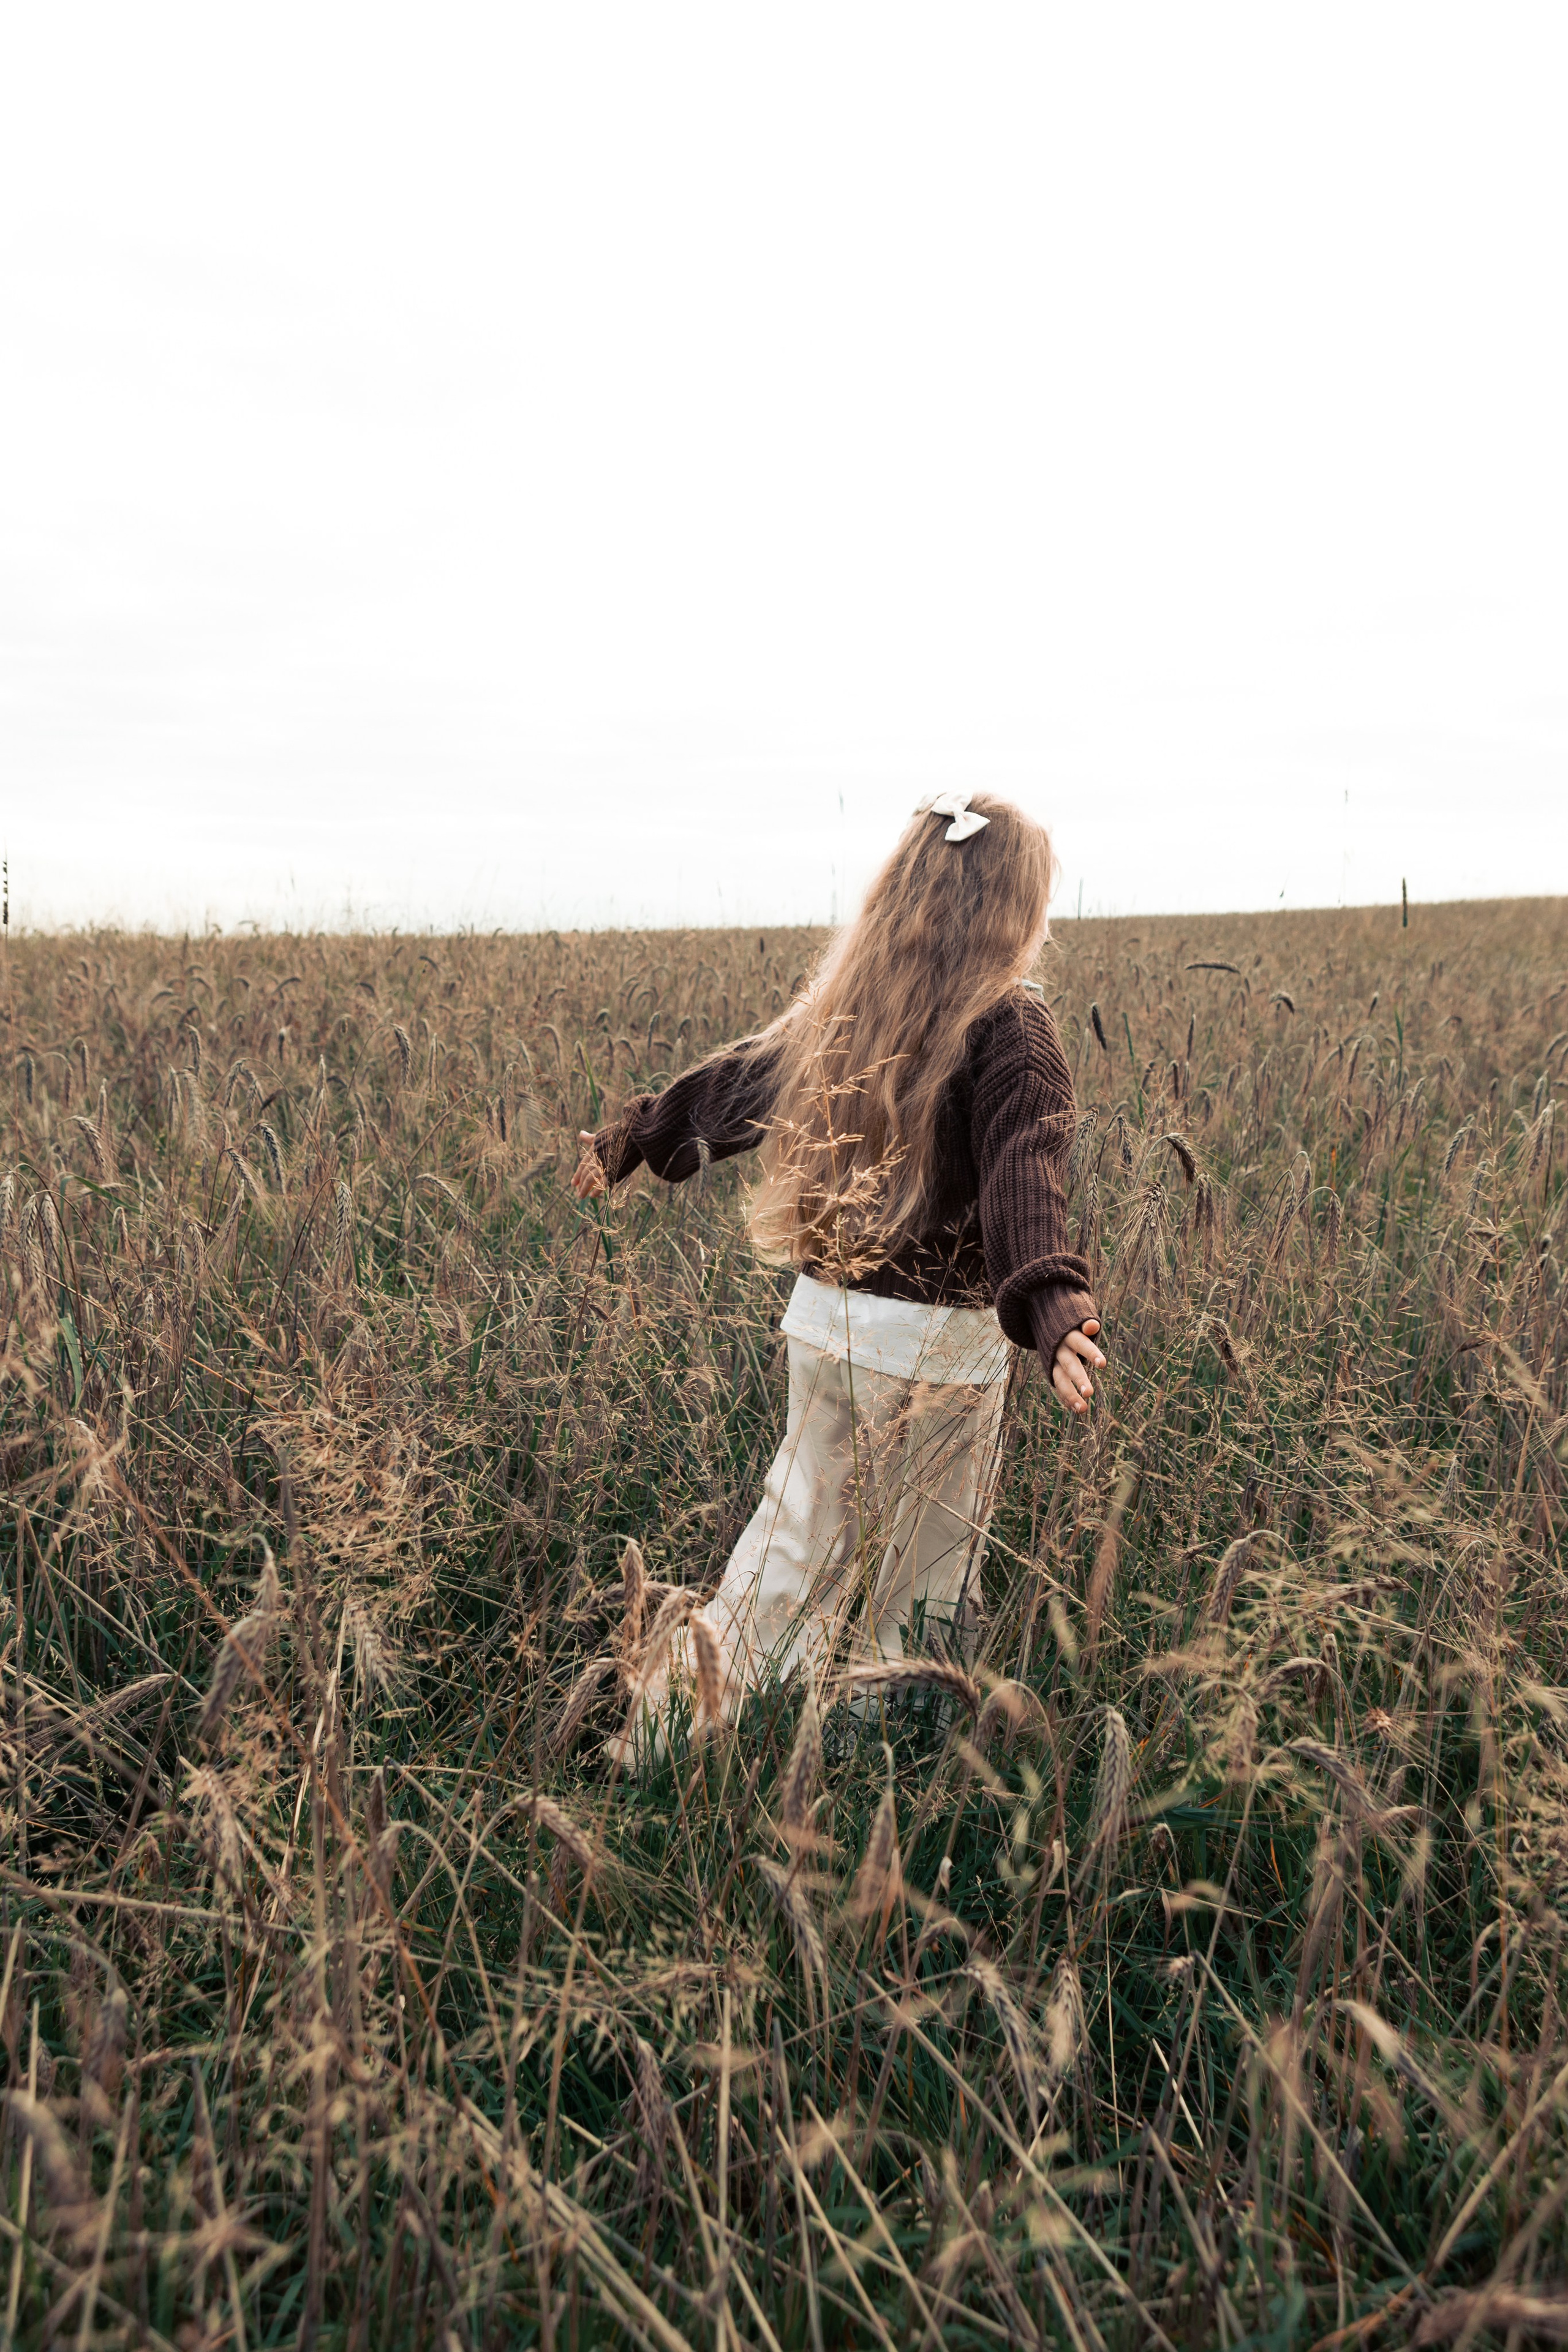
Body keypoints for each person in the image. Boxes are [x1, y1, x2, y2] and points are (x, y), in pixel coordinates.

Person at [572, 789, 1105, 1748]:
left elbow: (732, 1087)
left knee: (786, 1555)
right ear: (1016, 909)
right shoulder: (1012, 1027)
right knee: (922, 1582)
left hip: (825, 1326)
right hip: (941, 1354)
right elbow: (1027, 1168)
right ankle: (869, 1771)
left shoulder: (856, 1005)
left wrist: (630, 1142)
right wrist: (1053, 1305)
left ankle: (657, 1740)